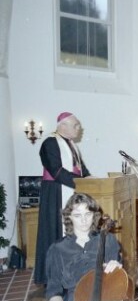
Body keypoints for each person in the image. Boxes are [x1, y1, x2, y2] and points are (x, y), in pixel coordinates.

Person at [35, 112, 91, 285]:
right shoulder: (50, 143)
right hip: (56, 194)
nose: (78, 128)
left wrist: (92, 180)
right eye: (75, 125)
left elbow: (81, 169)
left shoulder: (72, 145)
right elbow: (56, 170)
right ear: (62, 126)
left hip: (71, 191)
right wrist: (81, 183)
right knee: (56, 233)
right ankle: (54, 277)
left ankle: (74, 272)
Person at [45, 193, 122, 301]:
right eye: (77, 215)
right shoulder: (57, 249)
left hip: (106, 300)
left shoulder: (108, 240)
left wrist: (117, 267)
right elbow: (53, 291)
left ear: (94, 215)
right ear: (69, 217)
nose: (84, 220)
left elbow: (117, 279)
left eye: (88, 214)